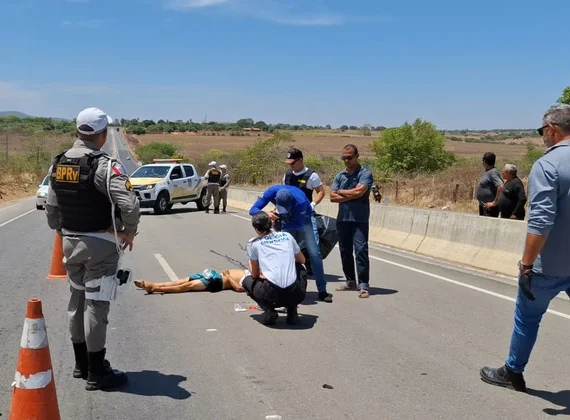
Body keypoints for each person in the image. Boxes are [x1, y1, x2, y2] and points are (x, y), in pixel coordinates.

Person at [45, 107, 140, 391]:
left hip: (70, 241)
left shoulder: (59, 163)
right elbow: (130, 204)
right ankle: (97, 372)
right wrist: (128, 231)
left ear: (78, 131)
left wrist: (62, 231)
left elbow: (52, 207)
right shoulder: (104, 165)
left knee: (77, 302)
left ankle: (81, 365)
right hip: (100, 243)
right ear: (103, 134)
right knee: (97, 305)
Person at [480, 104, 570, 392]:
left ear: (551, 129)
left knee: (527, 318)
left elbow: (541, 220)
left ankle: (513, 372)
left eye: (542, 131)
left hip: (549, 265)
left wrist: (527, 265)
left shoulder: (548, 164)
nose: (542, 136)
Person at [249, 184, 333, 302]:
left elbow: (297, 225)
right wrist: (265, 214)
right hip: (286, 220)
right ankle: (282, 291)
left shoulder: (301, 201)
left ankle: (322, 290)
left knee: (314, 253)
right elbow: (252, 210)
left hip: (305, 219)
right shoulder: (271, 192)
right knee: (282, 253)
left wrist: (279, 224)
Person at [241, 211, 308, 325]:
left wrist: (254, 263)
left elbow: (254, 274)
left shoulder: (253, 243)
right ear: (271, 223)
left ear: (256, 229)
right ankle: (292, 310)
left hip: (270, 294)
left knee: (246, 279)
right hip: (295, 293)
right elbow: (302, 260)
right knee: (300, 267)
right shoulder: (287, 236)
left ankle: (269, 310)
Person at [329, 144, 373, 299]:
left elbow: (360, 191)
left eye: (350, 157)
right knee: (345, 251)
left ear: (357, 156)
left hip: (359, 219)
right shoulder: (340, 176)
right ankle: (350, 281)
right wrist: (351, 194)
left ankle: (363, 285)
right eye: (344, 158)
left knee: (360, 250)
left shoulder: (365, 173)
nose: (347, 160)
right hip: (343, 219)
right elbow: (332, 197)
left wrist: (341, 191)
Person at [134, 268, 247, 294]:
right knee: (180, 281)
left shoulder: (251, 280)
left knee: (187, 286)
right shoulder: (251, 271)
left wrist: (228, 276)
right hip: (212, 275)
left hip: (217, 282)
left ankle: (155, 288)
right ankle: (153, 284)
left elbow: (239, 288)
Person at [476, 152, 504, 217]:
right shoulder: (488, 172)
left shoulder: (493, 172)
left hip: (489, 208)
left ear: (484, 161)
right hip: (484, 206)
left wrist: (494, 202)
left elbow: (500, 186)